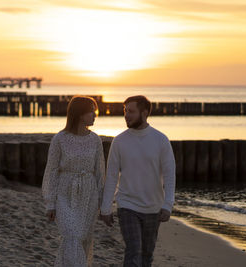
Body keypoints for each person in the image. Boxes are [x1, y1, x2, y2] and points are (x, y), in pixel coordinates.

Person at [99, 95, 176, 267]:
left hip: (153, 207)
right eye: (125, 111)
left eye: (131, 111)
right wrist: (106, 207)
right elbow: (111, 176)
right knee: (134, 249)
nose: (126, 115)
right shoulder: (119, 141)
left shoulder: (160, 140)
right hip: (127, 205)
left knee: (147, 255)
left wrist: (168, 204)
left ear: (145, 113)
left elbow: (170, 174)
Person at [42, 96, 105, 266]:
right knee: (72, 236)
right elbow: (52, 170)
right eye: (92, 111)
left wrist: (103, 203)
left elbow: (100, 172)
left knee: (83, 238)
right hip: (65, 193)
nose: (95, 115)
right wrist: (50, 203)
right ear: (79, 113)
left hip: (88, 194)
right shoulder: (60, 139)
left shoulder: (95, 140)